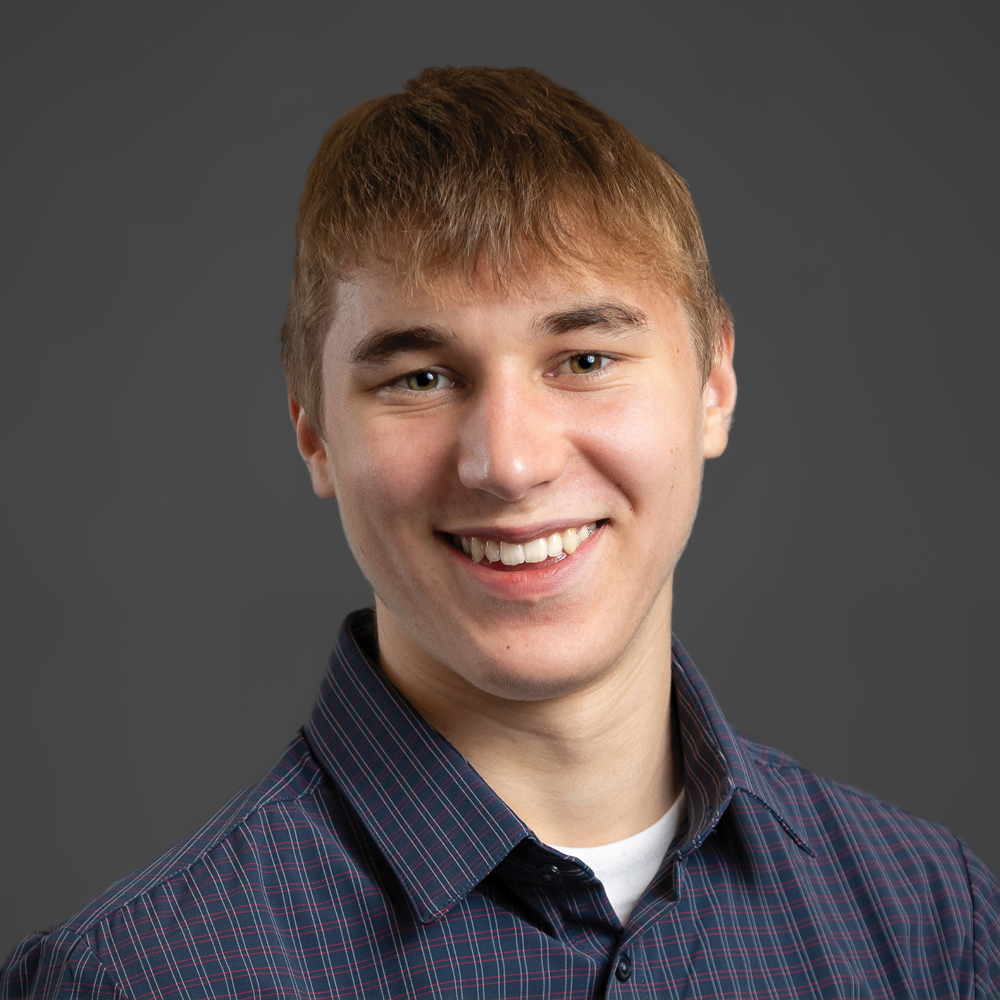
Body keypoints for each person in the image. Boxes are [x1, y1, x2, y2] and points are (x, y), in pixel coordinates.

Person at [2, 65, 996, 1000]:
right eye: (420, 378)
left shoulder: (926, 922)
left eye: (584, 358)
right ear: (310, 429)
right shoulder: (144, 979)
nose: (509, 463)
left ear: (714, 384)